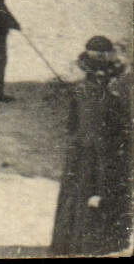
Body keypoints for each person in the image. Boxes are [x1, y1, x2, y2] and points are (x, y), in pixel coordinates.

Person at [51, 36, 132, 256]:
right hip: (102, 149)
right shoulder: (115, 88)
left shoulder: (82, 89)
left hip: (88, 148)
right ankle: (99, 242)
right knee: (99, 190)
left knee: (82, 192)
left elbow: (71, 124)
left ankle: (74, 241)